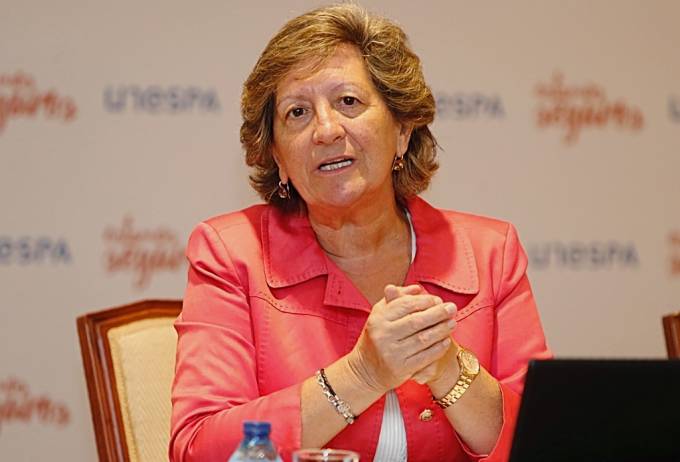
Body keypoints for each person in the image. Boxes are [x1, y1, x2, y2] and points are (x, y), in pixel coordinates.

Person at [170, 4, 551, 462]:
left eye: (348, 102)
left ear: (403, 130)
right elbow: (199, 449)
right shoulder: (231, 254)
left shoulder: (490, 253)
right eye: (297, 112)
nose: (326, 130)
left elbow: (546, 443)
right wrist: (361, 375)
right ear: (278, 157)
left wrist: (449, 370)